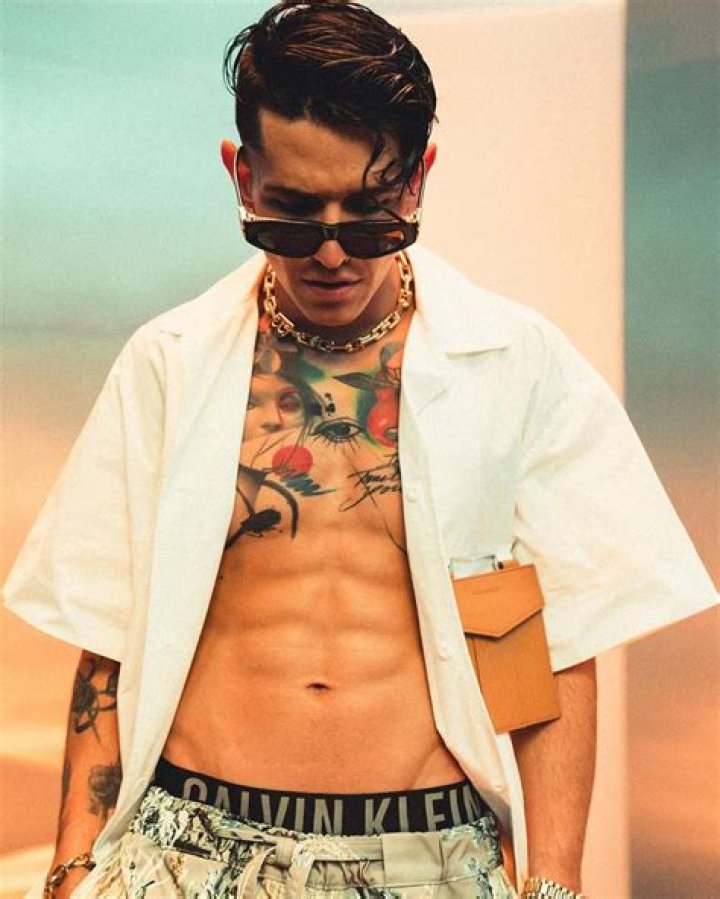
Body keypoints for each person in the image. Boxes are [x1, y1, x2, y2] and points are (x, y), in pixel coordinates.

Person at [4, 2, 716, 897]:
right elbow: (107, 639)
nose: (333, 252)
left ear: (417, 181)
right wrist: (72, 868)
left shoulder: (506, 367)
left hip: (430, 854)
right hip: (186, 850)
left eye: (371, 216)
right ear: (243, 176)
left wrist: (555, 881)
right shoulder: (170, 364)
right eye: (294, 216)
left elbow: (540, 640)